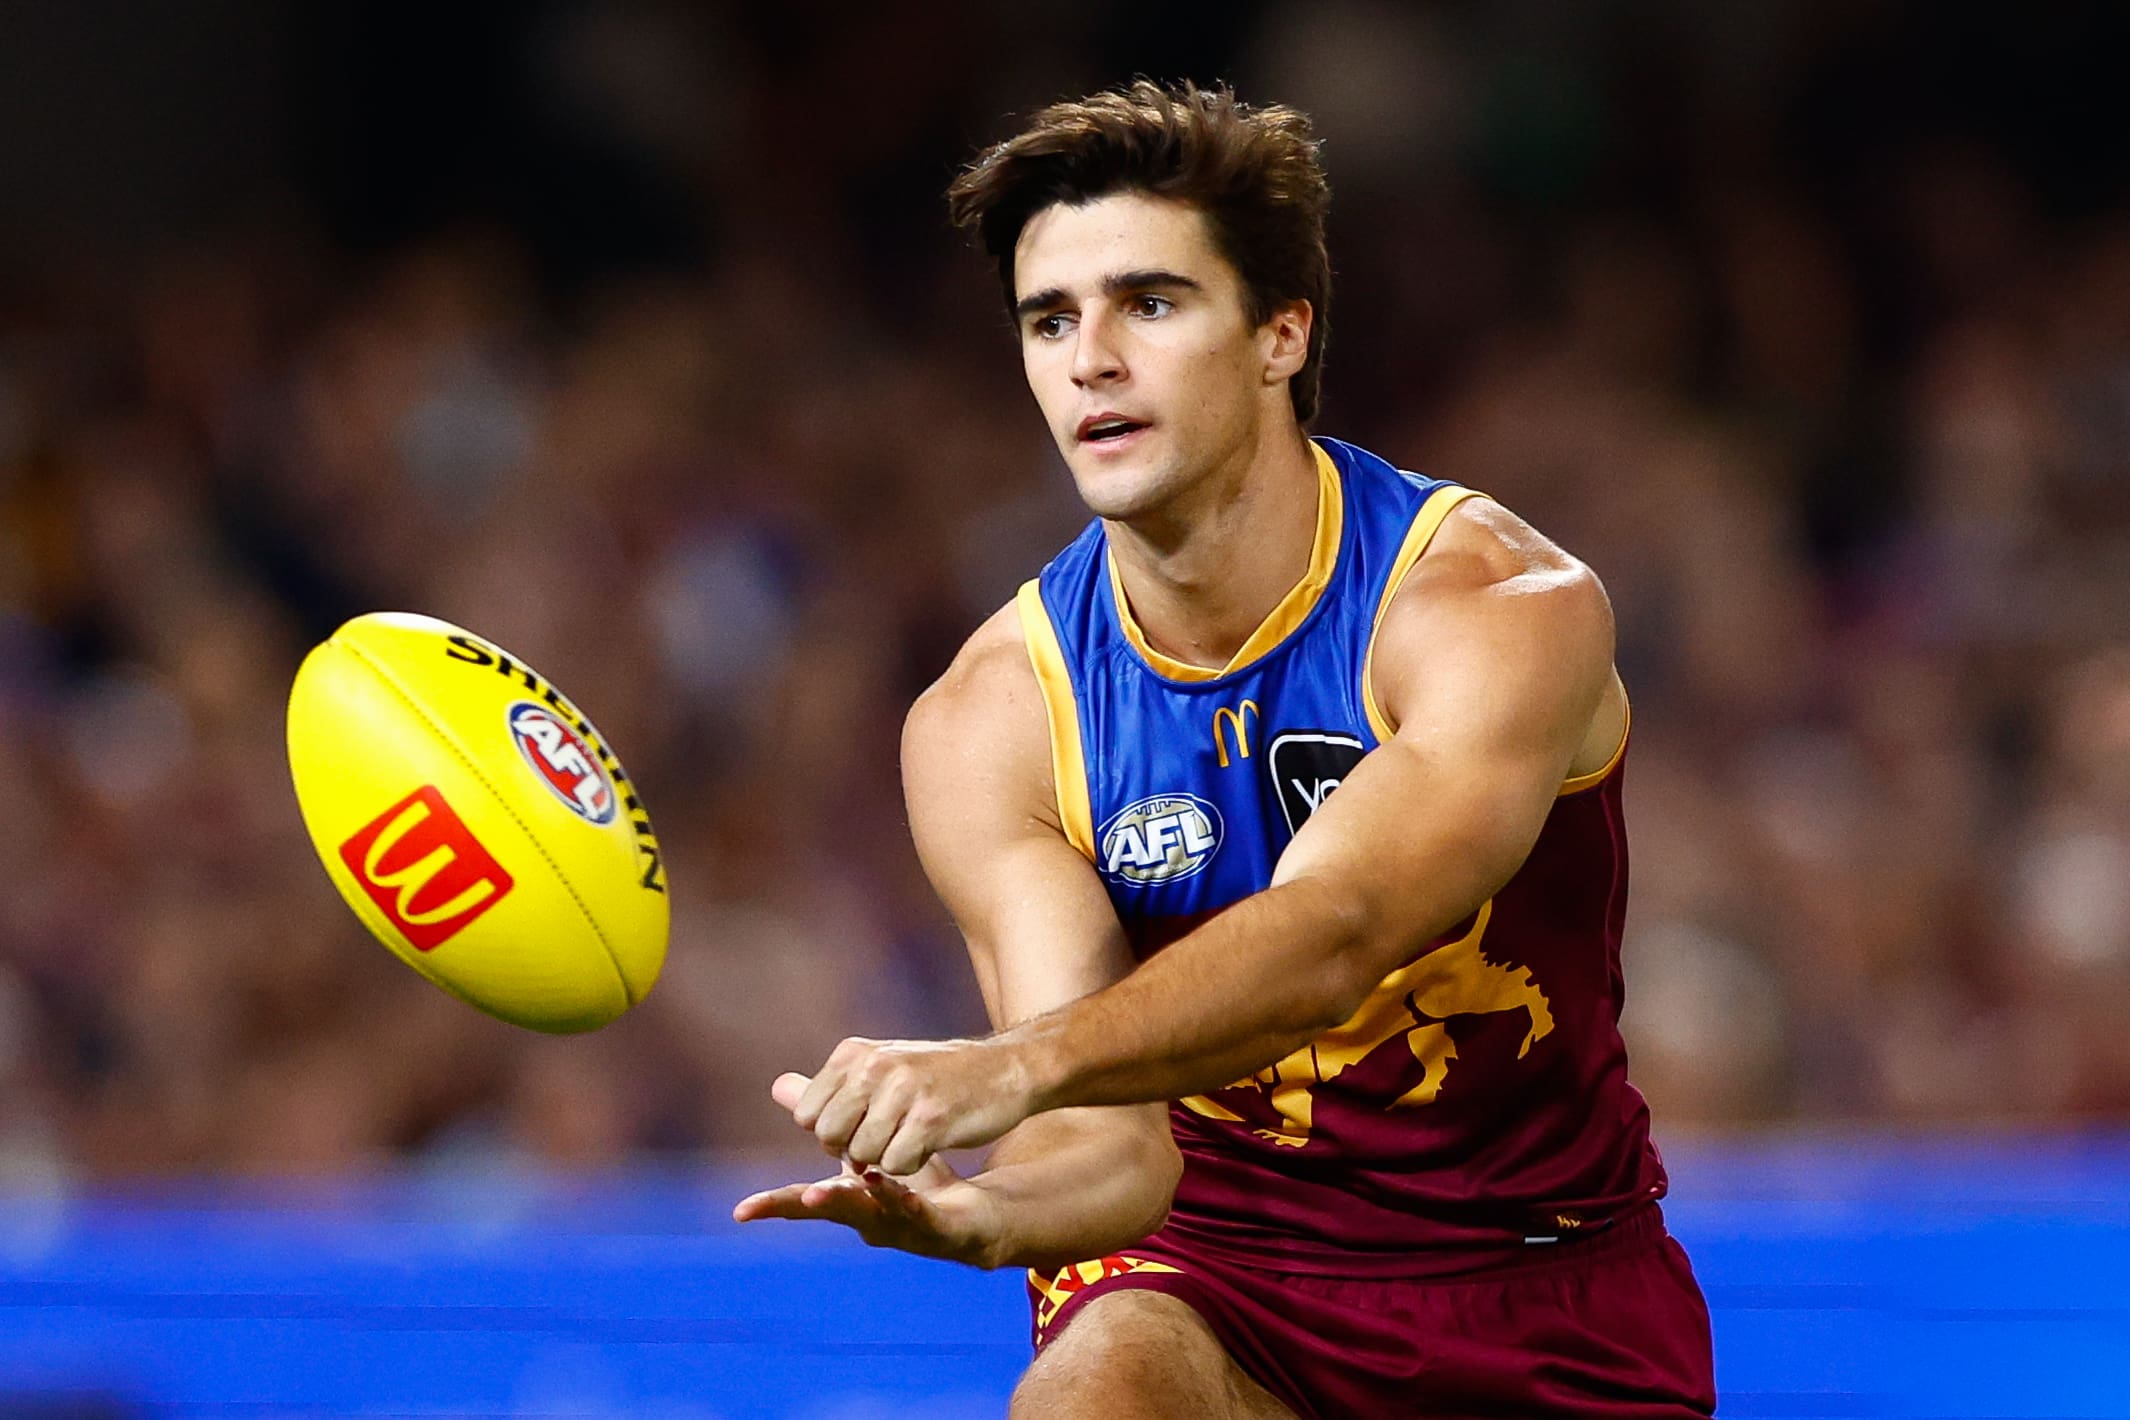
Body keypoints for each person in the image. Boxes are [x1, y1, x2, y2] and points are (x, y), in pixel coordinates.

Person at [734, 80, 1717, 1418]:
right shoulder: (991, 719)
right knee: (1093, 1390)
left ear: (1278, 333)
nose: (1088, 358)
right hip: (1212, 1275)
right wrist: (982, 1213)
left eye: (1147, 303)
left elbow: (1335, 929)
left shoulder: (1494, 608)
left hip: (1538, 1289)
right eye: (1047, 320)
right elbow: (1107, 1154)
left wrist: (1005, 1065)